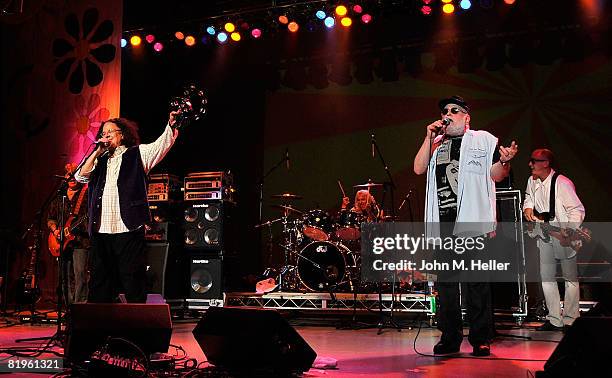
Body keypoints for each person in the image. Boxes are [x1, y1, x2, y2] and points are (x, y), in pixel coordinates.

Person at [413, 95, 518, 357]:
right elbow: (417, 168)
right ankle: (449, 338)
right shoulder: (436, 143)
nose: (448, 114)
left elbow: (495, 175)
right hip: (444, 225)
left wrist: (504, 161)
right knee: (447, 285)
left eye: (455, 111)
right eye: (445, 111)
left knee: (477, 283)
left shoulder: (483, 140)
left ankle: (481, 339)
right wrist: (428, 137)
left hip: (472, 222)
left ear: (466, 117)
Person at [75, 112, 180, 303]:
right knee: (99, 283)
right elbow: (80, 177)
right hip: (101, 230)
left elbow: (161, 145)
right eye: (103, 133)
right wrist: (97, 152)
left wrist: (171, 125)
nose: (105, 136)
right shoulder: (99, 160)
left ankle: (136, 329)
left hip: (128, 227)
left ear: (122, 134)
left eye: (110, 132)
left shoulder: (137, 154)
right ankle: (99, 329)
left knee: (133, 280)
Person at [523, 148, 585, 331]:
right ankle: (554, 319)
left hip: (564, 235)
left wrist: (570, 231)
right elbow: (528, 198)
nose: (530, 164)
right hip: (545, 234)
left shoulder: (562, 183)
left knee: (570, 278)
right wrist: (528, 208)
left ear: (545, 163)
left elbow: (577, 209)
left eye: (534, 160)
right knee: (547, 277)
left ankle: (571, 319)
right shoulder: (531, 181)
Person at [47, 162, 89, 304]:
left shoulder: (86, 194)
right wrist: (55, 230)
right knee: (64, 277)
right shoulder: (60, 197)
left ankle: (81, 308)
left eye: (74, 174)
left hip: (80, 241)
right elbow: (50, 219)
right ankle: (69, 308)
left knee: (80, 275)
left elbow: (91, 217)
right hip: (61, 242)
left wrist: (79, 227)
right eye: (68, 175)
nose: (71, 178)